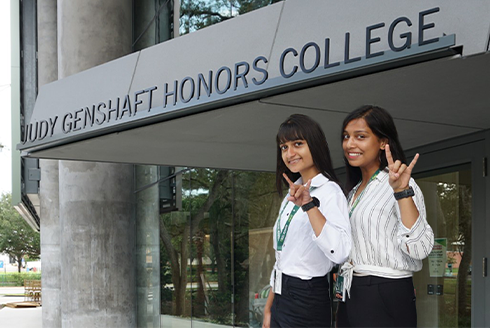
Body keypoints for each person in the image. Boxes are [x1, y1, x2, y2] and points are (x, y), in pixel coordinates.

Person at [336, 105, 434, 328]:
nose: (350, 144)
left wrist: (401, 191)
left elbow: (420, 248)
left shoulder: (401, 185)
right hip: (352, 290)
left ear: (383, 142)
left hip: (386, 290)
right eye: (346, 137)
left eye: (360, 136)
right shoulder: (353, 192)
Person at [262, 114, 351, 328]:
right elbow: (282, 258)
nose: (289, 153)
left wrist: (310, 205)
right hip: (282, 296)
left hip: (307, 297)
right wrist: (269, 308)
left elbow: (339, 252)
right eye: (284, 147)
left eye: (298, 144)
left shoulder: (330, 192)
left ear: (315, 144)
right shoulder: (291, 193)